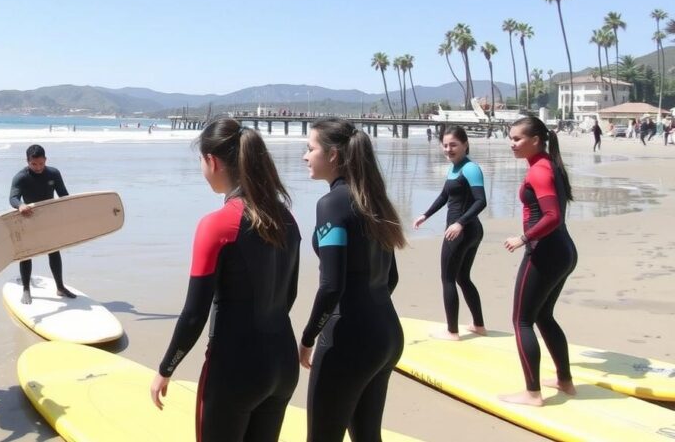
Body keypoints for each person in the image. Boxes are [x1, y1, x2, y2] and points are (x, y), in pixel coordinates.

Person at [150, 118, 300, 441]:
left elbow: (194, 314)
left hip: (235, 369)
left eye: (201, 161)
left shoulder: (217, 225)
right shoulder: (286, 219)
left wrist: (166, 368)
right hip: (282, 364)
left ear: (212, 161)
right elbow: (289, 295)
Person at [299, 118, 406, 441]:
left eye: (311, 148)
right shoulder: (373, 200)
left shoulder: (331, 205)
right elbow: (391, 277)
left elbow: (332, 285)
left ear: (333, 155)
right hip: (386, 333)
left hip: (349, 338)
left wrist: (308, 338)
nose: (305, 156)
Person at [500, 116, 578, 406]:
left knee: (522, 320)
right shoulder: (548, 164)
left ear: (535, 140)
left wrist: (523, 238)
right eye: (510, 138)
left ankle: (532, 393)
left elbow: (552, 216)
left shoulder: (539, 170)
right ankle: (564, 380)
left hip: (545, 252)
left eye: (517, 139)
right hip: (563, 250)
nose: (512, 144)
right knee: (544, 316)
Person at [413, 125, 487, 340]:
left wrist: (459, 224)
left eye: (453, 145)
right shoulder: (454, 168)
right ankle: (479, 325)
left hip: (461, 231)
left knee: (448, 279)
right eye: (445, 145)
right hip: (468, 230)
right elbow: (445, 196)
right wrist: (426, 215)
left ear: (465, 144)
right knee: (463, 277)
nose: (448, 149)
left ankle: (452, 331)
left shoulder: (470, 168)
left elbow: (481, 201)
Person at [9, 144, 73, 305]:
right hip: (29, 218)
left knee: (54, 251)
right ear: (27, 161)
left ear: (46, 159)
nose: (38, 167)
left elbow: (64, 195)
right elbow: (13, 198)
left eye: (41, 163)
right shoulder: (21, 177)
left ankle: (60, 287)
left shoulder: (53, 173)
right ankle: (26, 289)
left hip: (49, 219)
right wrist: (20, 205)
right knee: (27, 254)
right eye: (34, 164)